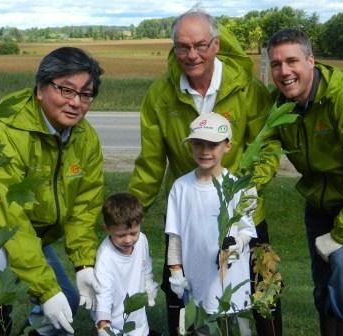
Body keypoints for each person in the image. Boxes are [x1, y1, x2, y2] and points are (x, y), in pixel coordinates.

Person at [128, 7, 281, 335]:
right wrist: (129, 215)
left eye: (200, 45)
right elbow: (151, 164)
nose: (192, 54)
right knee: (179, 290)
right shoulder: (159, 95)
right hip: (188, 215)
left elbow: (268, 146)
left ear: (215, 45)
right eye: (183, 47)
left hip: (244, 212)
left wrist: (249, 186)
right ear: (174, 49)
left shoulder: (247, 89)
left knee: (261, 291)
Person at [258, 28, 343, 335]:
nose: (284, 71)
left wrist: (339, 233)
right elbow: (265, 151)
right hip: (320, 201)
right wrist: (244, 187)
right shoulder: (278, 106)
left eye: (292, 61)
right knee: (322, 280)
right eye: (276, 64)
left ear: (311, 60)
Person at [0, 46, 105, 335]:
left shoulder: (84, 138)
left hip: (26, 227)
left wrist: (83, 263)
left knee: (69, 300)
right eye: (66, 90)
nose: (76, 102)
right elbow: (10, 217)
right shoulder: (7, 135)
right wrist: (46, 289)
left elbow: (83, 208)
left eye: (85, 94)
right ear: (40, 89)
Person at [165, 113, 257, 335]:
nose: (204, 151)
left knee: (236, 328)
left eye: (213, 144)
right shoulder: (181, 187)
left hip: (232, 281)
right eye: (198, 144)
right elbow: (175, 235)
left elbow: (246, 230)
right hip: (197, 281)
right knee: (204, 327)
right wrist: (176, 271)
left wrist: (236, 246)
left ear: (227, 146)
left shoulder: (236, 187)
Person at [93, 192, 158, 336]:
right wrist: (104, 326)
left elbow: (145, 265)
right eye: (121, 235)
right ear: (107, 229)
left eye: (133, 233)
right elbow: (102, 295)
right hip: (114, 324)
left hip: (139, 320)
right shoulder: (105, 258)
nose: (128, 240)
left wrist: (148, 283)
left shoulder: (142, 240)